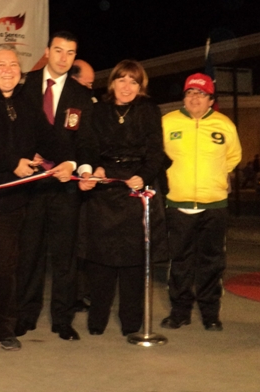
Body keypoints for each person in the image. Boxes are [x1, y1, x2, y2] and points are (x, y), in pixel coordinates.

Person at [0, 44, 75, 352]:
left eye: (13, 64)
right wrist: (12, 162)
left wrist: (67, 161)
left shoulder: (26, 101)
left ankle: (3, 329)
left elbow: (49, 137)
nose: (8, 69)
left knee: (5, 269)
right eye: (1, 64)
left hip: (12, 203)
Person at [15, 31, 95, 342]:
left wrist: (77, 167)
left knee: (65, 257)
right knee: (29, 254)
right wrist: (22, 153)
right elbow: (14, 128)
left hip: (64, 186)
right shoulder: (25, 85)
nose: (63, 58)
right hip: (31, 184)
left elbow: (86, 140)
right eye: (58, 50)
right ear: (47, 51)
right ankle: (25, 315)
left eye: (70, 53)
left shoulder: (80, 94)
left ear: (75, 57)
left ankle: (63, 320)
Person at [78, 59, 168, 336]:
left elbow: (157, 152)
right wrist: (96, 168)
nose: (127, 86)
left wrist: (144, 174)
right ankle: (97, 319)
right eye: (122, 80)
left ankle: (132, 322)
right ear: (113, 82)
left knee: (134, 260)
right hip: (105, 188)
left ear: (140, 87)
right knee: (101, 259)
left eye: (133, 81)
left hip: (136, 188)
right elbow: (87, 146)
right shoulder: (97, 110)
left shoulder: (149, 111)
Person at [161, 73, 241, 331]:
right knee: (180, 261)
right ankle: (179, 311)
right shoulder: (168, 122)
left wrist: (214, 178)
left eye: (201, 94)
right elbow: (156, 155)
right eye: (190, 93)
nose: (194, 98)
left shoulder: (224, 124)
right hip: (178, 203)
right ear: (184, 97)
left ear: (210, 100)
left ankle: (210, 313)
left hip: (214, 205)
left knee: (212, 261)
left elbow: (234, 157)